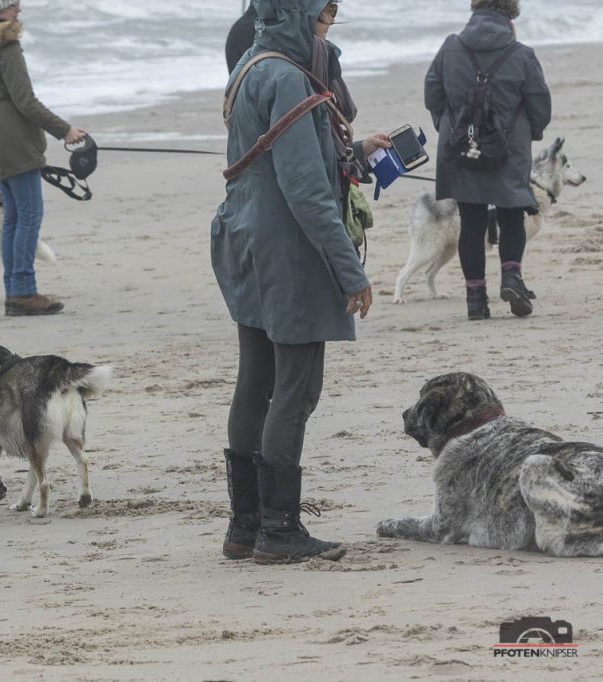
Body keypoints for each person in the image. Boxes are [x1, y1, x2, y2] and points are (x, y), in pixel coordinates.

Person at [212, 0, 379, 564]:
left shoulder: (250, 64)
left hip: (243, 238)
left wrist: (355, 151)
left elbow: (281, 160)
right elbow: (306, 192)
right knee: (295, 388)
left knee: (254, 381)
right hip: (288, 250)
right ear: (299, 15)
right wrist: (350, 271)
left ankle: (245, 526)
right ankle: (280, 530)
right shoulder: (287, 78)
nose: (327, 27)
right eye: (324, 17)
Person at [0, 0, 86, 316]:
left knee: (14, 216)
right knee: (28, 215)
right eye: (13, 4)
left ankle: (15, 290)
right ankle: (23, 291)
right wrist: (65, 130)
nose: (19, 9)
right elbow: (25, 100)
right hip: (14, 137)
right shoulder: (6, 45)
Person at [425, 0, 551, 320]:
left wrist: (450, 125)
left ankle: (475, 298)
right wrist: (529, 133)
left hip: (461, 148)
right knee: (511, 216)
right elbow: (540, 105)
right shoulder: (522, 54)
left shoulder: (450, 47)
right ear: (510, 15)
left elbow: (432, 93)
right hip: (509, 149)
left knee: (471, 221)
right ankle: (511, 277)